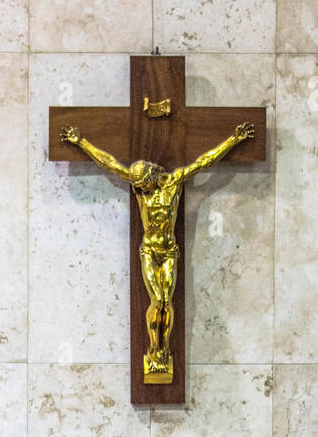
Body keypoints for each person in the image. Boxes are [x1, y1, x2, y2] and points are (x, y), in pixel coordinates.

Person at [59, 121, 255, 379]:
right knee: (158, 300)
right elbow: (110, 163)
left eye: (142, 184)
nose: (138, 188)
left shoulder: (173, 183)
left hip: (169, 250)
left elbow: (204, 162)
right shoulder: (140, 190)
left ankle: (164, 350)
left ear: (152, 177)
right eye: (137, 185)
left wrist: (234, 139)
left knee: (166, 302)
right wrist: (80, 141)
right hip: (150, 250)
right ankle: (156, 348)